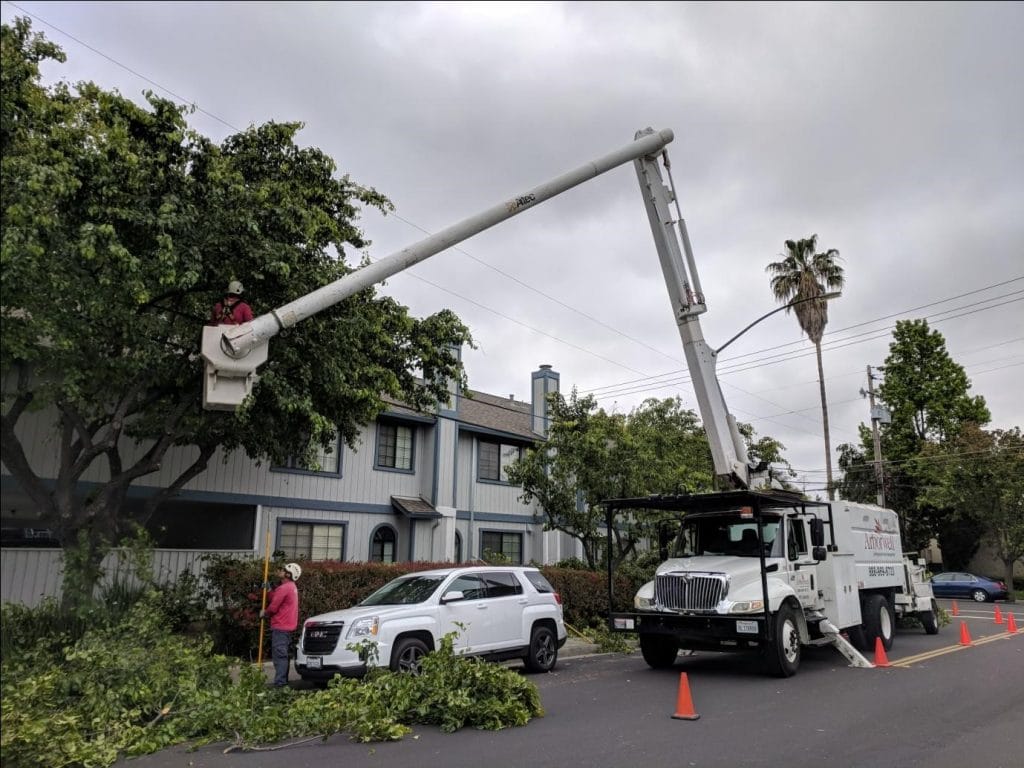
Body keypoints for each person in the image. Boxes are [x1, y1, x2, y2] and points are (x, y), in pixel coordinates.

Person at [260, 562, 301, 687]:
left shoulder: (284, 588)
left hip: (281, 626)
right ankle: (283, 682)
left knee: (280, 656)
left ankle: (280, 684)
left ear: (288, 574)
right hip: (288, 626)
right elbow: (276, 597)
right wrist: (269, 590)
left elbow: (273, 607)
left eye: (283, 570)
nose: (280, 571)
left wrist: (264, 613)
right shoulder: (291, 586)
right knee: (284, 655)